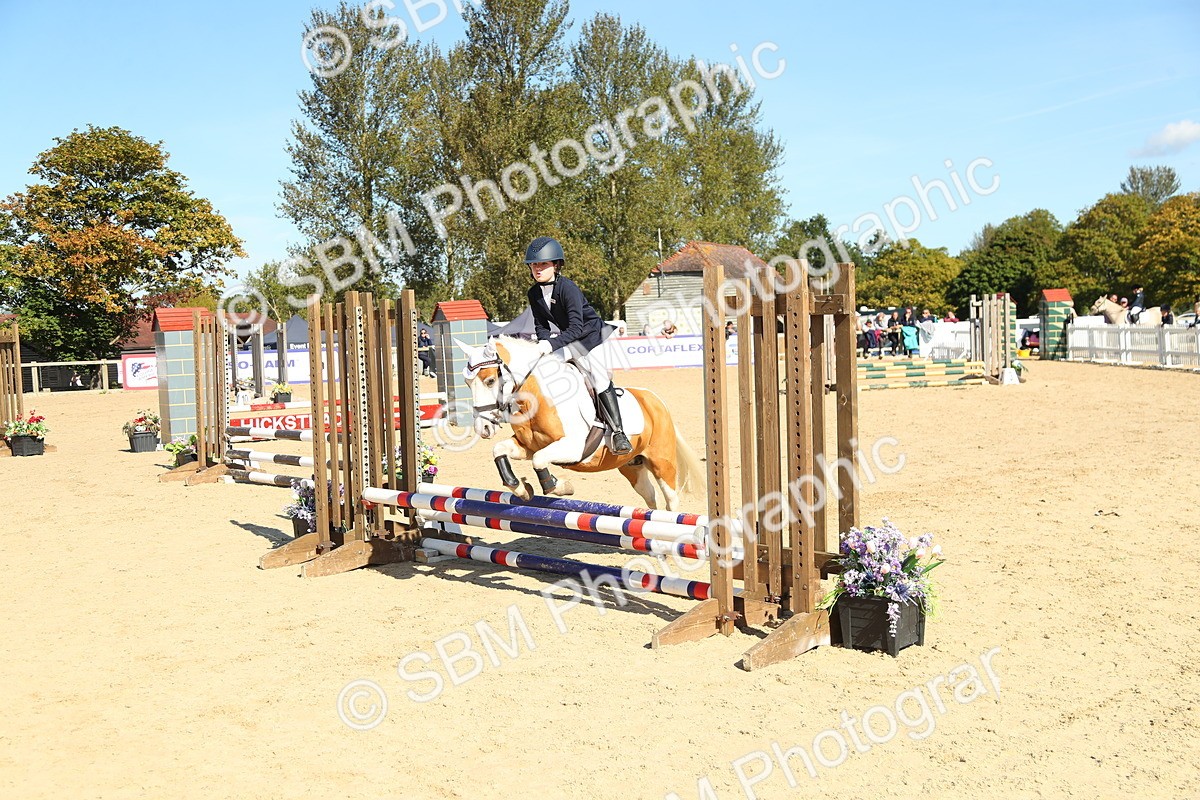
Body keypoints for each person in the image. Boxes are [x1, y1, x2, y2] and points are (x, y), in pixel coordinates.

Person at [525, 235, 632, 454]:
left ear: (556, 265)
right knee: (544, 369)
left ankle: (619, 432)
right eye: (534, 265)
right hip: (570, 339)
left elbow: (576, 328)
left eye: (543, 264)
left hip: (592, 337)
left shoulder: (568, 288)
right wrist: (544, 342)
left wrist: (551, 345)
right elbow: (540, 325)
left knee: (598, 378)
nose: (537, 269)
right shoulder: (533, 293)